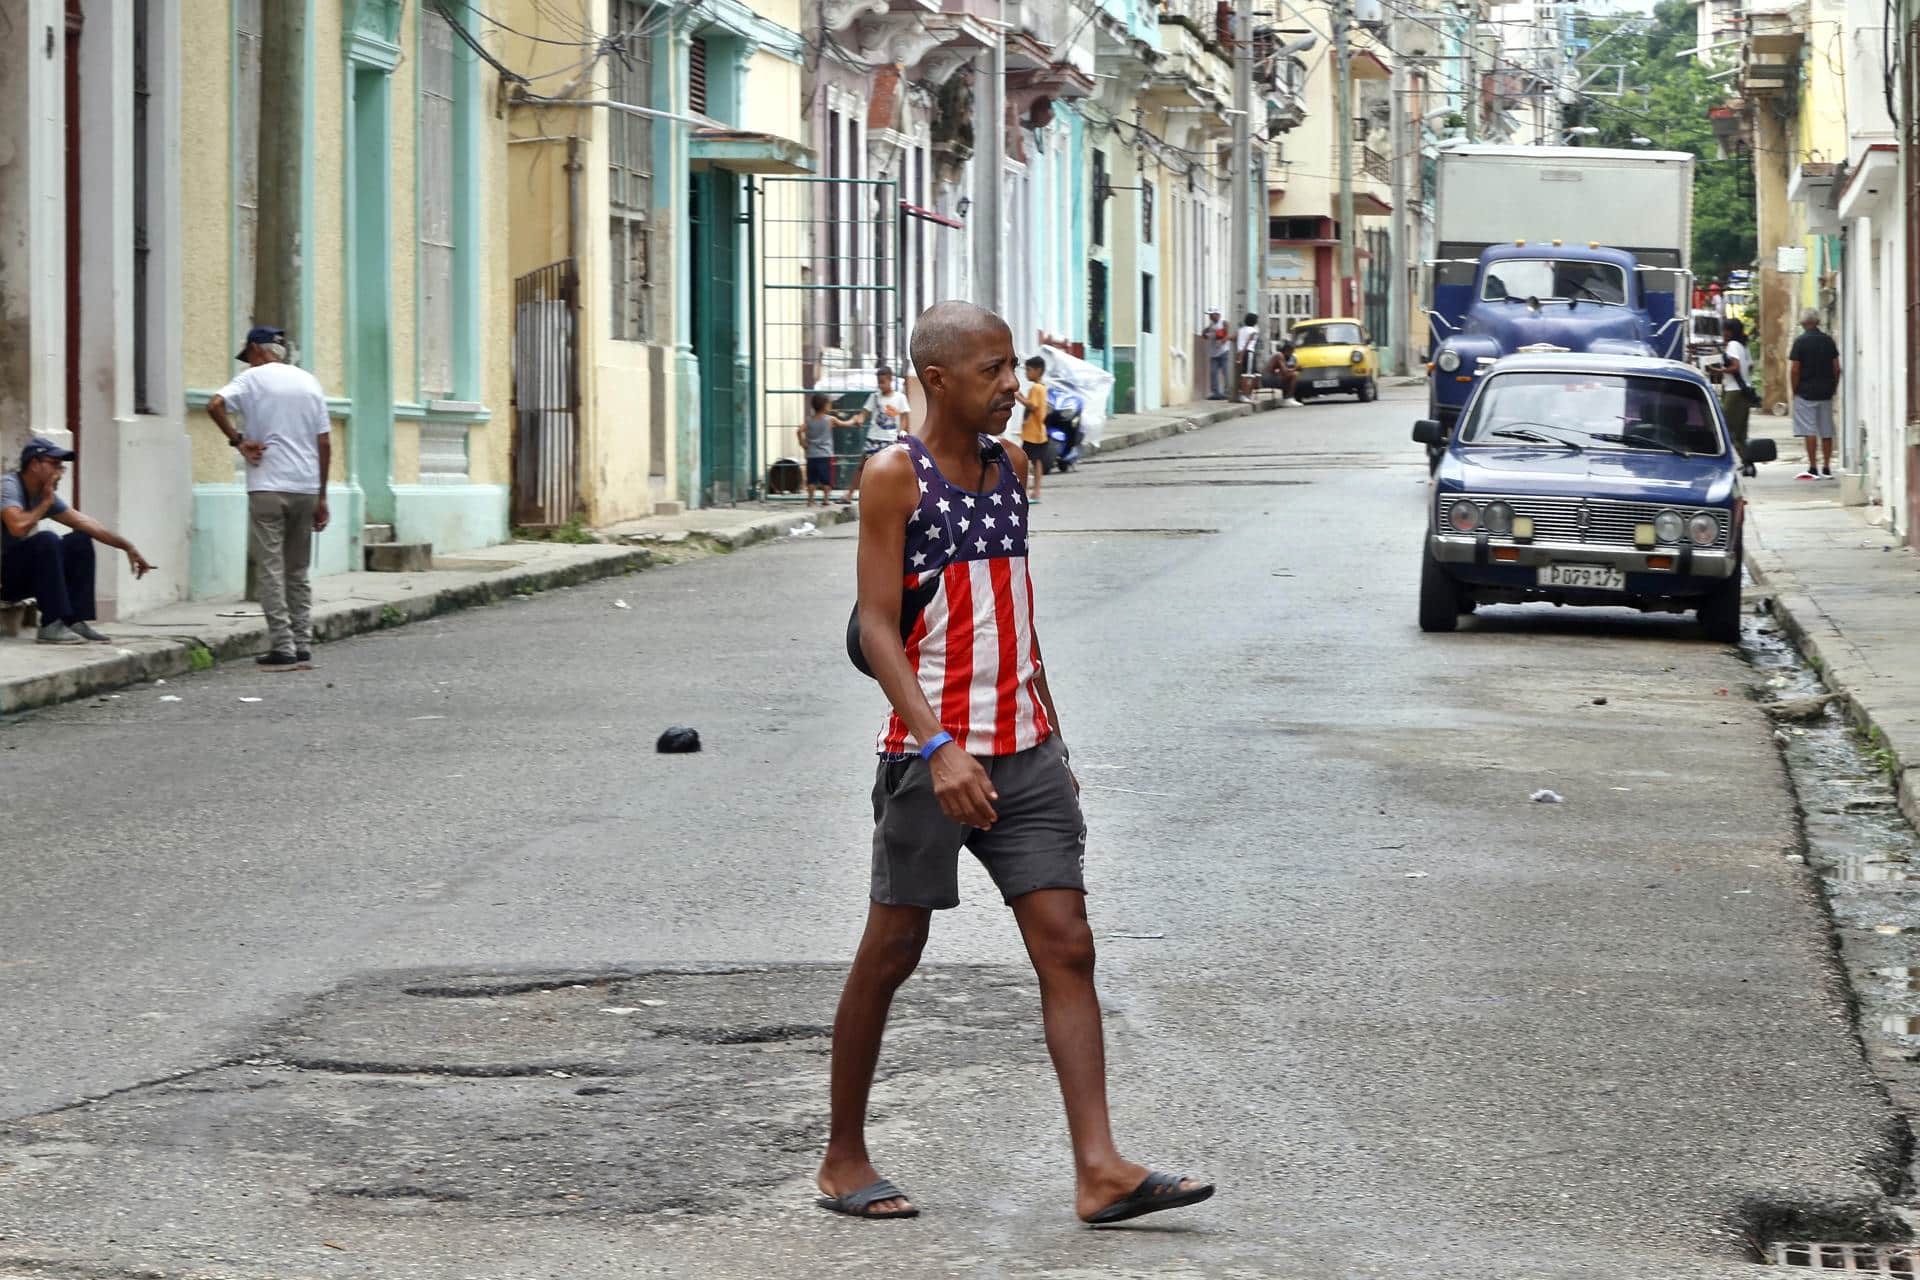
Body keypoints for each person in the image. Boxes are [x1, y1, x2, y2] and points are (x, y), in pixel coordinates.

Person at [816, 300, 1215, 1227]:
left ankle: (1100, 1169)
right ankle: (842, 1157)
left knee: (1067, 946)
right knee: (892, 950)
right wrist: (938, 745)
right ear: (940, 380)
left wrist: (1055, 739)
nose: (1014, 387)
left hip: (1026, 750)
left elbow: (1013, 618)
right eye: (995, 371)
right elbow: (877, 627)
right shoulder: (893, 477)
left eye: (1015, 367)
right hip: (932, 758)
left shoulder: (1010, 466)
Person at [206, 325, 331, 671]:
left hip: (268, 484)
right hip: (306, 486)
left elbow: (214, 404)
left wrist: (238, 440)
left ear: (256, 351)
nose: (248, 364)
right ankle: (303, 642)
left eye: (248, 357)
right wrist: (322, 496)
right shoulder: (309, 382)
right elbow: (324, 442)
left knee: (271, 569)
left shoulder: (251, 380)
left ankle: (283, 644)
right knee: (297, 569)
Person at [1, 437, 156, 644]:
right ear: (35, 464)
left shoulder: (43, 496)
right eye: (54, 464)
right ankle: (51, 624)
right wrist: (46, 503)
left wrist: (127, 547)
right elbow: (17, 526)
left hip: (15, 574)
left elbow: (87, 523)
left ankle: (72, 620)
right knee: (47, 540)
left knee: (80, 540)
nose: (60, 472)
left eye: (61, 467)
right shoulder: (9, 486)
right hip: (5, 579)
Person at [844, 366, 913, 505]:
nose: (880, 385)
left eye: (882, 382)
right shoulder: (874, 396)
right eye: (879, 382)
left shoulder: (900, 398)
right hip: (873, 438)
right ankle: (849, 494)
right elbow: (863, 414)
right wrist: (858, 420)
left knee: (891, 470)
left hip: (889, 440)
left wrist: (901, 432)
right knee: (863, 466)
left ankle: (892, 497)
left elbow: (905, 417)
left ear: (890, 380)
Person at [1789, 307, 1841, 480]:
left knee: (1809, 430)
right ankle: (1826, 466)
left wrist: (1794, 389)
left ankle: (1813, 467)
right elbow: (1836, 367)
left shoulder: (1800, 342)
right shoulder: (1828, 341)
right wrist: (1834, 387)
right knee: (1826, 430)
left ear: (1803, 323)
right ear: (1817, 322)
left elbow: (1795, 369)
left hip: (1805, 392)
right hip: (1825, 392)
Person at [1710, 318, 1757, 477]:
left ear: (1730, 331)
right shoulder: (1743, 346)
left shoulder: (1732, 345)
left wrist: (1719, 371)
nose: (1723, 334)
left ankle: (1740, 462)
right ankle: (1747, 463)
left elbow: (1735, 367)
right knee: (1741, 432)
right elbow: (1749, 366)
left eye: (1725, 330)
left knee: (1727, 430)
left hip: (1734, 391)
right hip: (1744, 390)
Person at [800, 394, 853, 507]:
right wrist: (854, 420)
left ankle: (810, 500)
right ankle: (825, 499)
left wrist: (802, 442)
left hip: (811, 455)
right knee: (826, 479)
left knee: (811, 479)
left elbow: (799, 430)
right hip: (826, 455)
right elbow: (845, 424)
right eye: (829, 403)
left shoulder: (809, 420)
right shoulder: (830, 419)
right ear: (825, 406)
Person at [1017, 355, 1051, 502]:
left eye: (1029, 370)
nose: (1026, 373)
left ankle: (1026, 491)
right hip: (1038, 432)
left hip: (1032, 433)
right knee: (1037, 461)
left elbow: (1032, 406)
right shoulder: (1041, 387)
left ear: (1038, 371)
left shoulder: (1036, 388)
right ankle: (1036, 491)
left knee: (1023, 461)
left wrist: (1018, 397)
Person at [1200, 309, 1233, 400]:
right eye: (1209, 315)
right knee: (1213, 372)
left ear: (1218, 315)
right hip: (1213, 353)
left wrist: (1222, 340)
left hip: (1223, 351)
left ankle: (1227, 392)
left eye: (1212, 315)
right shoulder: (1211, 325)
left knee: (1225, 372)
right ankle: (1216, 393)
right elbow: (1205, 336)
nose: (1210, 317)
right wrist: (1205, 333)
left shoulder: (1224, 323)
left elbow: (1227, 333)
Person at [1262, 341, 1303, 408]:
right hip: (1268, 379)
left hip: (1270, 377)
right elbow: (1285, 371)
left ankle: (1286, 398)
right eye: (1291, 351)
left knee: (1289, 376)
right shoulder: (1279, 355)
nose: (1292, 354)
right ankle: (1288, 399)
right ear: (1287, 350)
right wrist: (1295, 369)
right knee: (1293, 375)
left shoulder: (1283, 356)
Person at [1235, 312, 1261, 399]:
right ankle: (1245, 395)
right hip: (1248, 352)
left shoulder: (1241, 330)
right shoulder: (1253, 331)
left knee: (1247, 374)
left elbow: (1236, 338)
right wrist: (1242, 356)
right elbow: (1248, 343)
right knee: (1247, 375)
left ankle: (1246, 394)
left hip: (1241, 352)